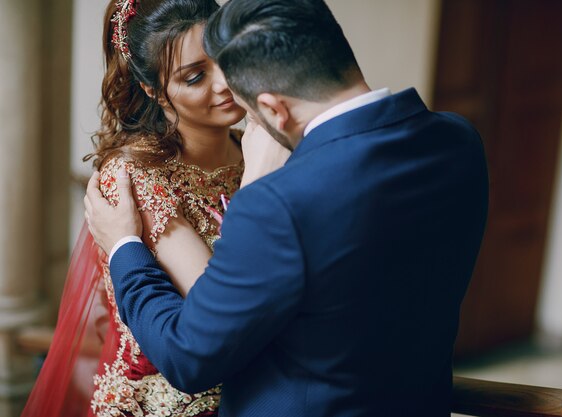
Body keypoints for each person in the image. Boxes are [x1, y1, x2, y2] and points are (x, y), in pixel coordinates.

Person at [85, 0, 490, 415]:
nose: (225, 85)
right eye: (195, 75)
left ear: (274, 110)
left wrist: (122, 245)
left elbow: (192, 353)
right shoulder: (460, 140)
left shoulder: (278, 197)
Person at [21, 0, 288, 416]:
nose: (225, 83)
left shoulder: (253, 145)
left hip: (260, 390)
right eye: (196, 76)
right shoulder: (136, 177)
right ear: (151, 89)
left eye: (225, 58)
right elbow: (220, 308)